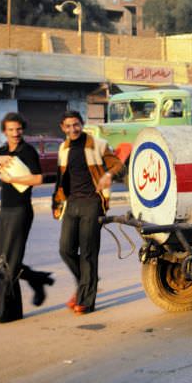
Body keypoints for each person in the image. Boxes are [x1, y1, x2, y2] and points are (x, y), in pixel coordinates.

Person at [0, 113, 53, 323]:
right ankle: (36, 279)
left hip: (21, 210)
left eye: (18, 129)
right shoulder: (1, 152)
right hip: (5, 209)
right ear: (5, 131)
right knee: (0, 259)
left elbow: (38, 178)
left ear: (22, 129)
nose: (15, 133)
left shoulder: (27, 151)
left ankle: (3, 312)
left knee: (10, 261)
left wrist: (13, 178)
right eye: (11, 129)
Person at [52, 110, 123, 315]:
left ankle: (86, 301)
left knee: (88, 252)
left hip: (93, 202)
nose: (73, 129)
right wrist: (56, 202)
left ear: (82, 124)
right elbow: (60, 178)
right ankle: (89, 280)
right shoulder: (63, 148)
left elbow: (118, 165)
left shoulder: (98, 144)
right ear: (63, 128)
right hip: (71, 203)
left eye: (76, 124)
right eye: (68, 126)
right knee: (65, 249)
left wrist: (108, 175)